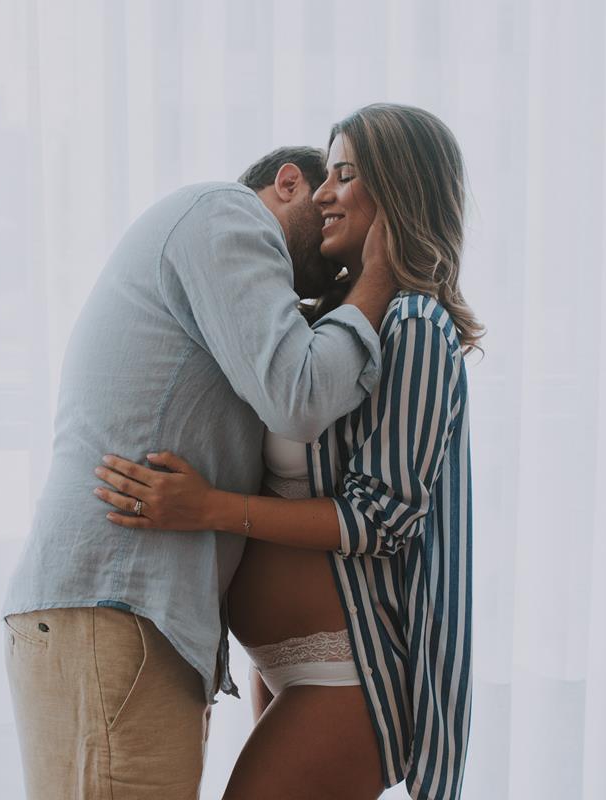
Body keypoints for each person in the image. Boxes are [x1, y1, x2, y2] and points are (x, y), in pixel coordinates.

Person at [93, 104, 483, 800]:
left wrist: (210, 509)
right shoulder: (331, 327)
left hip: (347, 672)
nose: (323, 193)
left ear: (399, 187)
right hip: (288, 670)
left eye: (343, 176)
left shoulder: (416, 326)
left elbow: (380, 519)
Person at [2, 146, 397, 799]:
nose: (334, 257)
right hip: (115, 609)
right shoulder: (227, 216)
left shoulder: (213, 266)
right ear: (288, 183)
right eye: (325, 202)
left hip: (124, 618)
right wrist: (378, 277)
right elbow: (299, 398)